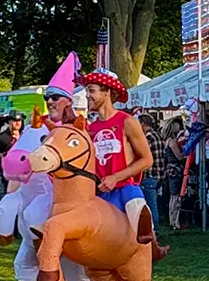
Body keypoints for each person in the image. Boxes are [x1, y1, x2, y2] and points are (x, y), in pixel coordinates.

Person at [76, 70, 157, 247]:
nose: (87, 96)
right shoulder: (90, 129)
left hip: (126, 187)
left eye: (91, 90)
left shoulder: (127, 121)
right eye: (87, 91)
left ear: (107, 92)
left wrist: (115, 177)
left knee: (138, 211)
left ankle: (153, 247)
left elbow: (146, 160)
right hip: (101, 192)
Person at [153, 120, 187, 229]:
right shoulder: (172, 142)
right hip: (176, 169)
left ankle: (172, 219)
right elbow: (179, 156)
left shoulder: (166, 141)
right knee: (175, 195)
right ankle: (174, 220)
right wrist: (187, 151)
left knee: (173, 195)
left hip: (170, 169)